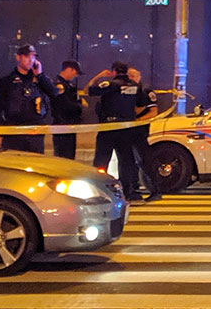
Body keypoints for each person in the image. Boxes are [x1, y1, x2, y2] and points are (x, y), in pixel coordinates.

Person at [90, 61, 159, 202]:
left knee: (102, 161)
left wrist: (99, 77)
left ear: (113, 71)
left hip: (109, 128)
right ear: (127, 73)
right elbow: (141, 105)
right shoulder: (136, 87)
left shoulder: (112, 84)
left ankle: (97, 190)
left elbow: (89, 90)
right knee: (126, 161)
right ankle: (129, 192)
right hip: (126, 130)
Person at [0, 43, 51, 156]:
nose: (31, 60)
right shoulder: (7, 81)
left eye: (33, 57)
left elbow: (54, 94)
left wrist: (40, 75)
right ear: (18, 57)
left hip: (35, 132)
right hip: (14, 132)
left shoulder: (38, 80)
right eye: (27, 56)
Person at [45, 58, 86, 158]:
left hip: (69, 124)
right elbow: (64, 105)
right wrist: (80, 105)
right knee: (64, 157)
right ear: (69, 69)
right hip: (62, 125)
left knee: (69, 155)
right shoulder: (59, 85)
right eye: (75, 72)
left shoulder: (67, 85)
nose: (75, 76)